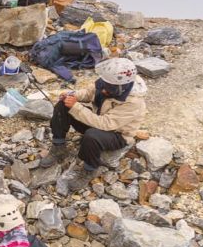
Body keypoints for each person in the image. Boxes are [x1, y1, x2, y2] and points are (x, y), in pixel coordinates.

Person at [39, 57, 147, 191]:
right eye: (105, 83)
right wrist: (73, 95)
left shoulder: (133, 102)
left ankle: (90, 169)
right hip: (97, 119)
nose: (103, 89)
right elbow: (89, 93)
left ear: (121, 86)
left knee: (92, 136)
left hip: (117, 135)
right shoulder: (107, 81)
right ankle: (59, 146)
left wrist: (76, 107)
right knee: (63, 105)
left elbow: (106, 124)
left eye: (109, 87)